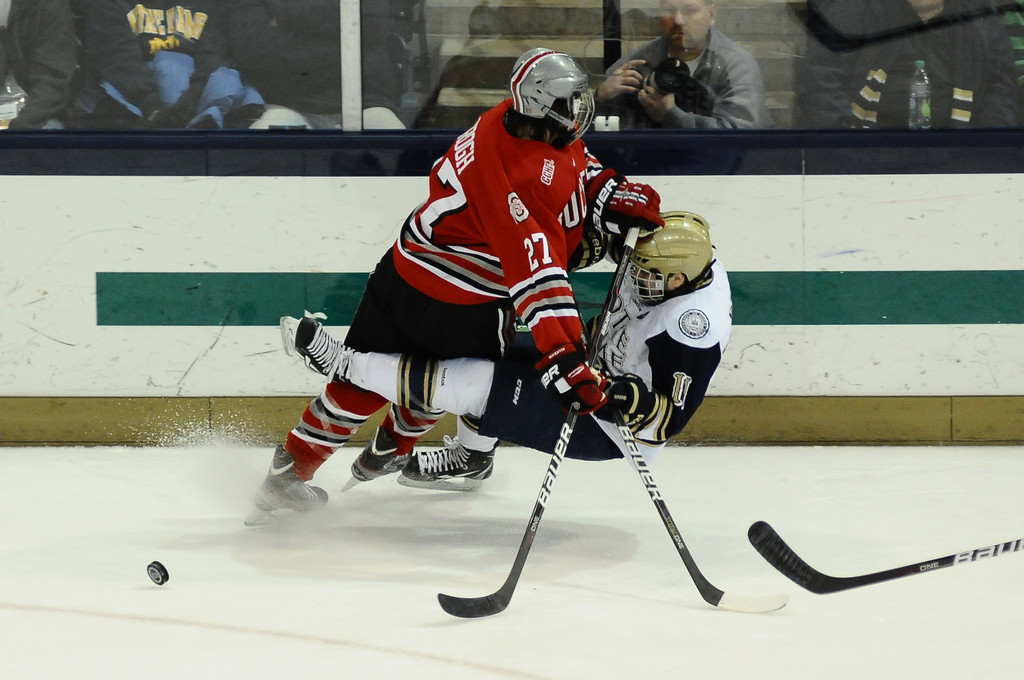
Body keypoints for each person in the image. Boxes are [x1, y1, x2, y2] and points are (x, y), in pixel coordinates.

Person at [247, 47, 665, 519]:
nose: (580, 111)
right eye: (571, 102)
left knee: (359, 379)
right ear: (544, 104)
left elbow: (571, 160)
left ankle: (289, 473)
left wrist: (606, 189)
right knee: (442, 381)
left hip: (404, 270)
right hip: (463, 301)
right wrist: (567, 356)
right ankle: (399, 442)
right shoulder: (518, 180)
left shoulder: (511, 119)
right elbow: (538, 278)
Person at [266, 210, 729, 504]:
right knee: (498, 345)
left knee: (472, 382)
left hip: (607, 424)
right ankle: (472, 458)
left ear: (679, 282)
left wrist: (626, 397)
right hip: (594, 365)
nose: (635, 279)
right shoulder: (672, 264)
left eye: (648, 277)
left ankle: (343, 363)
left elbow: (667, 420)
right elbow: (609, 247)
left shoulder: (692, 329)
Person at [794, 0, 1017, 128]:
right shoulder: (852, 11)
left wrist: (980, 155)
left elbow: (1001, 92)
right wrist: (851, 149)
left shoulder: (981, 21)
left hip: (957, 166)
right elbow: (819, 86)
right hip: (864, 162)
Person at [74, 0, 265, 129]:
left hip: (200, 94)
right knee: (169, 65)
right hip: (136, 99)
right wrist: (151, 104)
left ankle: (209, 120)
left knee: (226, 79)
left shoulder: (211, 4)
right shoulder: (107, 4)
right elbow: (118, 58)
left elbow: (214, 54)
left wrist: (192, 97)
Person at [226, 0, 409, 130]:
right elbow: (256, 52)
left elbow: (372, 25)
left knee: (407, 168)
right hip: (283, 104)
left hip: (365, 103)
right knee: (260, 161)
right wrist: (341, 38)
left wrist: (285, 18)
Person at [595, 0, 772, 129]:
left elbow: (743, 137)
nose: (678, 20)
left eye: (689, 10)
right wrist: (600, 97)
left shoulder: (735, 65)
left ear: (711, 14)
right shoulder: (641, 59)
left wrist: (671, 116)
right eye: (669, 10)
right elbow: (602, 129)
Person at [0, 0, 77, 129]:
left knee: (45, 136)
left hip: (36, 116)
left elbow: (53, 79)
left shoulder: (49, 5)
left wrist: (21, 126)